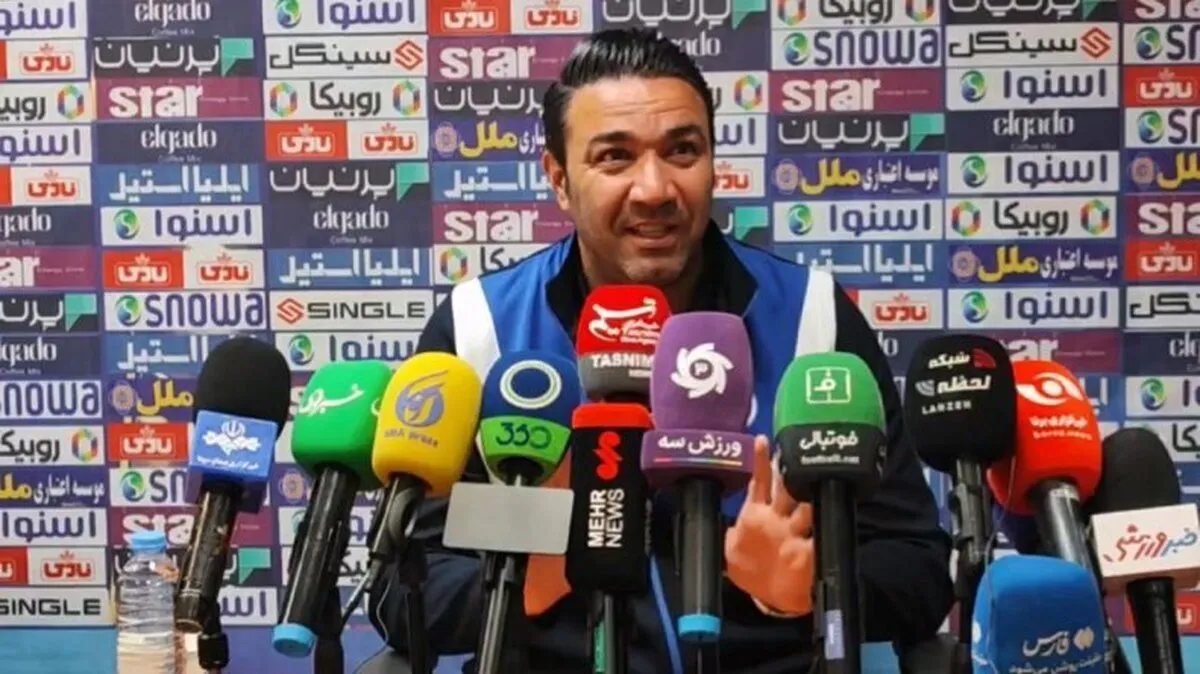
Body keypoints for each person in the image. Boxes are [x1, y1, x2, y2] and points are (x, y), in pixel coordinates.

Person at [368, 27, 953, 674]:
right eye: (615, 158)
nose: (655, 189)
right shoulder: (479, 329)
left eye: (682, 151)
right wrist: (520, 585)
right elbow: (402, 588)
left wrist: (815, 586)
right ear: (559, 179)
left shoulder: (812, 319)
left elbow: (918, 565)